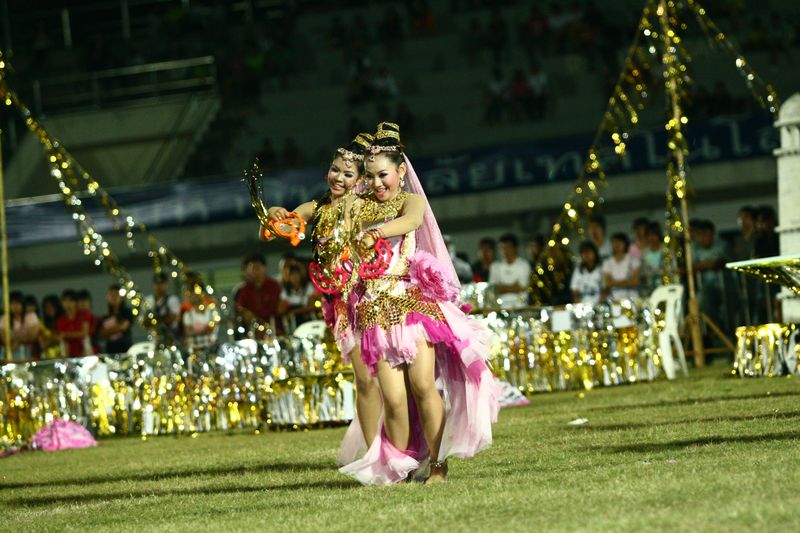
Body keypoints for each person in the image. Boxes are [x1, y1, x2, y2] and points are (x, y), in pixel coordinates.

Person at [340, 122, 498, 485]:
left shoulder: (411, 201)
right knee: (393, 400)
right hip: (374, 313)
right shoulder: (357, 204)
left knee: (424, 386)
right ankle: (402, 468)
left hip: (410, 307)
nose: (377, 183)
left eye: (384, 175)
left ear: (400, 171)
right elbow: (333, 213)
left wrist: (375, 232)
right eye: (370, 176)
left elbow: (411, 220)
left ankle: (439, 464)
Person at [266, 133, 382, 457]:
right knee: (364, 379)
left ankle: (401, 445)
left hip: (374, 299)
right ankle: (375, 455)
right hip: (342, 307)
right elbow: (279, 228)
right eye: (335, 170)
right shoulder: (315, 208)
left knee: (388, 379)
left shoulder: (369, 207)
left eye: (348, 173)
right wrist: (275, 213)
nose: (338, 178)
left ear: (361, 179)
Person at [235, 253, 285, 337]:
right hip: (254, 333)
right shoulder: (244, 290)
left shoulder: (274, 286)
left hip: (276, 330)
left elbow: (280, 307)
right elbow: (241, 309)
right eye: (252, 268)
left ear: (265, 268)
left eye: (257, 268)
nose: (254, 271)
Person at [489, 233, 532, 309]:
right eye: (502, 248)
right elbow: (493, 289)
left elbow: (521, 288)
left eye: (508, 247)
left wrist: (501, 287)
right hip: (500, 307)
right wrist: (513, 287)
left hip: (520, 306)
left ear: (515, 248)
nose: (505, 251)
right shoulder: (495, 267)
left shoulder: (524, 265)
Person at [0, 291, 40, 361]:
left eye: (18, 303)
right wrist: (22, 338)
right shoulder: (4, 319)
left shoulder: (31, 316)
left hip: (30, 353)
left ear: (23, 304)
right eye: (12, 304)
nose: (15, 306)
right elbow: (5, 340)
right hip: (11, 355)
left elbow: (33, 337)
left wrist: (17, 341)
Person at [146, 272, 181, 346]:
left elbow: (173, 318)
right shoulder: (148, 300)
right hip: (154, 336)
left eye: (162, 284)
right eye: (157, 284)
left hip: (171, 335)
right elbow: (145, 321)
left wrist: (156, 320)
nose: (159, 286)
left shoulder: (172, 299)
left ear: (167, 285)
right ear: (153, 285)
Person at [279, 263, 319, 328]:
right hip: (292, 325)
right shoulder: (285, 291)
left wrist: (295, 312)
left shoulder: (308, 287)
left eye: (296, 274)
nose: (294, 277)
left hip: (308, 322)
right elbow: (280, 310)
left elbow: (312, 307)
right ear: (288, 277)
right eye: (292, 274)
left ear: (301, 275)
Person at [602, 233, 641, 300]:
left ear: (625, 244)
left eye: (619, 242)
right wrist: (627, 282)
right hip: (614, 297)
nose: (616, 244)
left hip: (631, 296)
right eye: (614, 242)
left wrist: (614, 282)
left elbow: (635, 282)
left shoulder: (634, 260)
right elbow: (608, 283)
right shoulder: (607, 262)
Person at [182, 283, 219, 353]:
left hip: (212, 348)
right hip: (195, 350)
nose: (193, 297)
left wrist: (196, 331)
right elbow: (188, 332)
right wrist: (204, 330)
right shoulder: (188, 314)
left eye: (195, 294)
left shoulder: (212, 311)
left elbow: (212, 329)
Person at [99, 285, 134, 354]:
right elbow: (100, 334)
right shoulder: (105, 317)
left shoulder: (127, 312)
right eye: (111, 295)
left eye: (116, 294)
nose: (113, 297)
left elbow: (123, 327)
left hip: (125, 348)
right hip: (110, 350)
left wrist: (107, 331)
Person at [56, 289, 90, 357]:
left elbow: (85, 333)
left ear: (76, 302)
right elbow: (61, 339)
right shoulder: (60, 320)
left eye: (71, 301)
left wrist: (65, 334)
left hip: (85, 352)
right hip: (69, 354)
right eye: (65, 301)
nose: (68, 304)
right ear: (62, 303)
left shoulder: (84, 315)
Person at [641, 222, 664, 294]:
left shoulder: (666, 251)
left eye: (654, 235)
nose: (651, 238)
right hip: (651, 289)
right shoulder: (645, 253)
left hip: (665, 286)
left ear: (658, 235)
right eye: (648, 235)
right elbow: (644, 274)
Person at [77, 289, 101, 354]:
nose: (83, 303)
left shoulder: (97, 319)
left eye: (85, 300)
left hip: (93, 350)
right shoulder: (74, 320)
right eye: (80, 301)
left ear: (90, 303)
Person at [38, 294, 63, 359]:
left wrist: (49, 340)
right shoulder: (41, 324)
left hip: (64, 357)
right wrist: (54, 339)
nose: (49, 309)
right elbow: (42, 345)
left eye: (52, 306)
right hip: (48, 358)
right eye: (46, 307)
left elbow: (62, 338)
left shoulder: (63, 321)